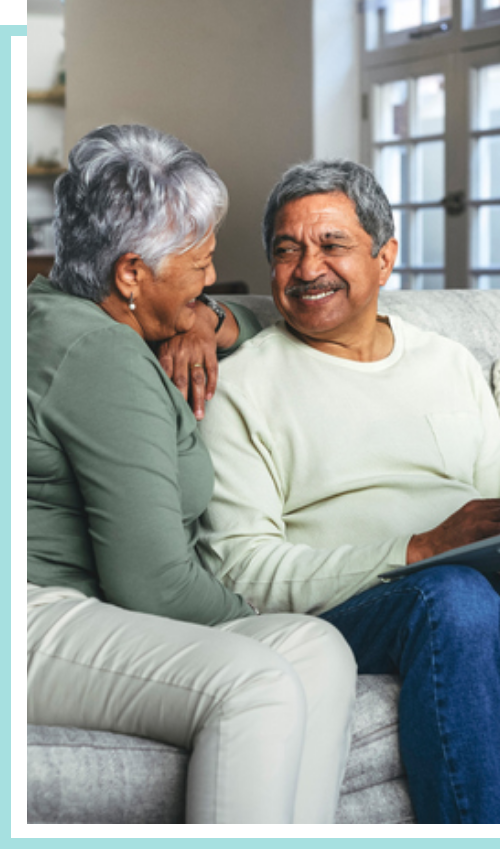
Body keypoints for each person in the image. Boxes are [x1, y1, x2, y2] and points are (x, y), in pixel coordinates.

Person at [198, 159, 500, 824]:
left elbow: (497, 516)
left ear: (384, 257)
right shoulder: (240, 386)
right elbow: (239, 569)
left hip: (474, 590)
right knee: (453, 597)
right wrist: (419, 547)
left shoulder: (448, 362)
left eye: (331, 244)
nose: (307, 267)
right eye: (286, 250)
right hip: (353, 607)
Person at [27, 127, 358, 826]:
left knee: (316, 647)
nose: (212, 276)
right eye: (200, 262)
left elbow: (253, 313)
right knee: (258, 682)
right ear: (129, 273)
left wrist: (205, 320)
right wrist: (246, 619)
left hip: (68, 608)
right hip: (33, 612)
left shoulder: (70, 309)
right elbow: (151, 582)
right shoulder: (97, 355)